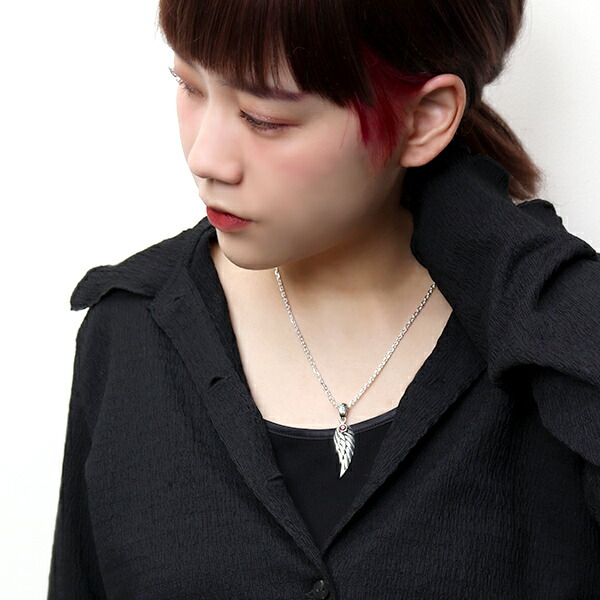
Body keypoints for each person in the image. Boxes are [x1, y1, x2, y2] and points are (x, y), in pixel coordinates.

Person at [47, 0, 600, 598]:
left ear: (425, 118)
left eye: (263, 118)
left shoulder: (551, 358)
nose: (205, 158)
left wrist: (492, 241)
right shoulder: (128, 331)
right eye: (189, 85)